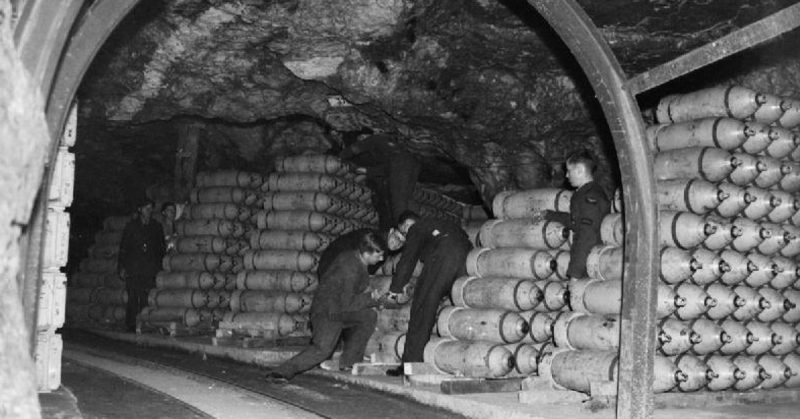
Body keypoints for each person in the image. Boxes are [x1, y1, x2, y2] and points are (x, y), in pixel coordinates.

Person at [265, 231, 386, 383]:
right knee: (322, 350)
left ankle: (349, 362)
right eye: (378, 255)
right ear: (367, 253)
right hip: (327, 313)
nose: (381, 259)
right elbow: (347, 303)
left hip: (338, 309)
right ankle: (281, 372)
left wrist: (373, 300)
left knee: (368, 316)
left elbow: (353, 295)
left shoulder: (356, 259)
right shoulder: (350, 267)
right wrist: (371, 298)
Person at [383, 211, 472, 376]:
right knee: (455, 308)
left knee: (421, 308)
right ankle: (462, 360)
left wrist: (394, 291)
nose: (404, 234)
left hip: (444, 256)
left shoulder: (417, 229)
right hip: (467, 257)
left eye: (404, 229)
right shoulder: (438, 223)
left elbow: (407, 262)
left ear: (407, 225)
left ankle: (410, 363)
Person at [544, 150, 610, 279]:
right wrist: (545, 214)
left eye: (569, 171)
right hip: (588, 261)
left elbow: (587, 236)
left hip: (591, 264)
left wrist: (575, 273)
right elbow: (574, 222)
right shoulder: (584, 194)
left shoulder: (591, 197)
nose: (567, 175)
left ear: (580, 170)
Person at [340, 132, 421, 231]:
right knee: (407, 198)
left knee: (398, 199)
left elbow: (355, 148)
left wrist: (340, 156)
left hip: (401, 163)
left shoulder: (375, 139)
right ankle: (415, 226)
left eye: (362, 138)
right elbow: (386, 170)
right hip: (412, 164)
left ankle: (401, 229)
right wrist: (365, 170)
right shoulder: (388, 148)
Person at [117, 199, 166, 332]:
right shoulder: (131, 227)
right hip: (134, 267)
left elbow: (161, 248)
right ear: (140, 209)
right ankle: (131, 324)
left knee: (146, 296)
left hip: (150, 268)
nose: (148, 211)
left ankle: (144, 324)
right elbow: (124, 248)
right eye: (146, 208)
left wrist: (160, 267)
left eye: (150, 208)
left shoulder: (156, 227)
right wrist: (122, 267)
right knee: (133, 296)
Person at [317, 226, 406, 277]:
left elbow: (368, 272)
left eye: (402, 243)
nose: (397, 244)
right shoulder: (373, 241)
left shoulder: (383, 250)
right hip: (332, 268)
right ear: (391, 231)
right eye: (397, 238)